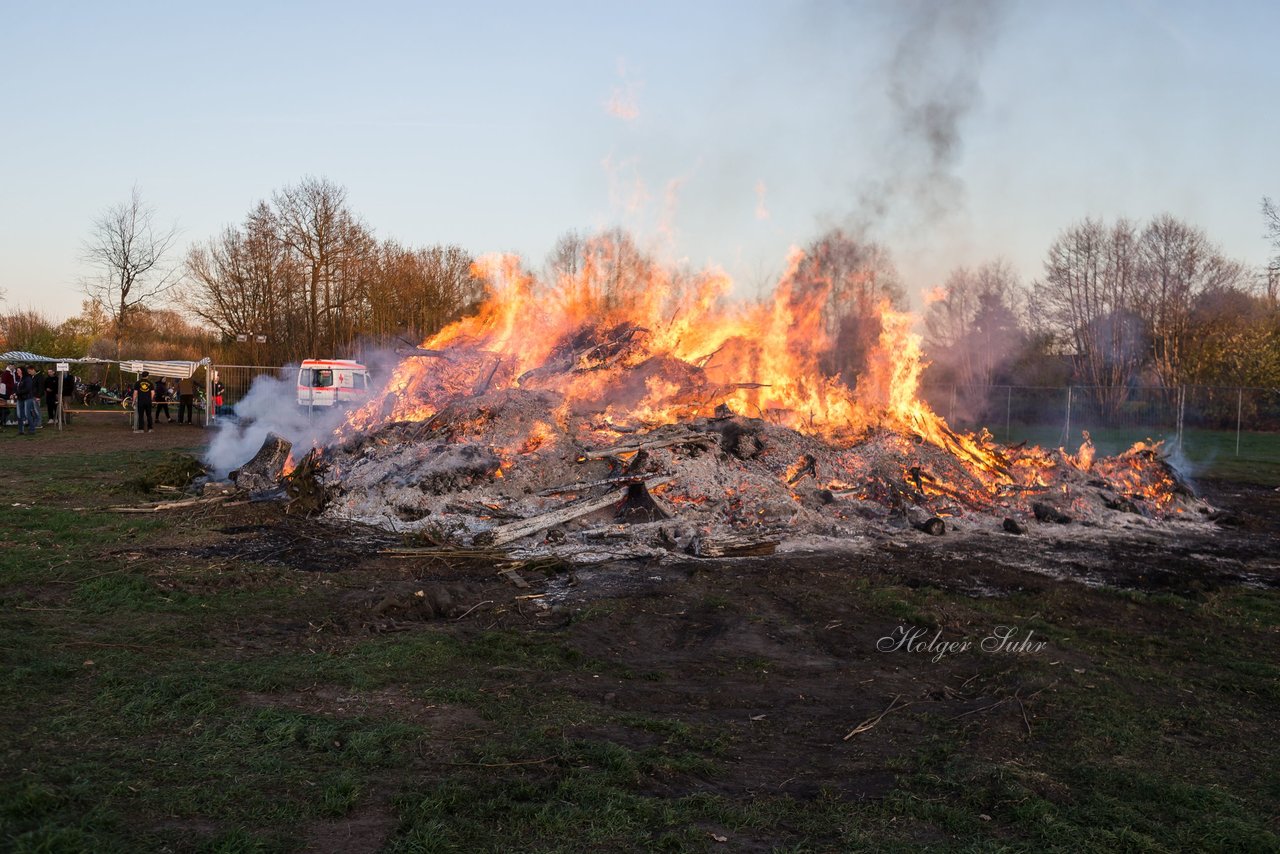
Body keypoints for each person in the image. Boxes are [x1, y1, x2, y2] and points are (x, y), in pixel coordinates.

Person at [15, 367, 36, 436]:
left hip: (27, 398)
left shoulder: (27, 378)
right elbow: (15, 388)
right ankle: (21, 430)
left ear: (22, 371)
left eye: (18, 370)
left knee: (27, 414)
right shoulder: (18, 379)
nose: (17, 371)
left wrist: (17, 393)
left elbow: (28, 389)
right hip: (19, 399)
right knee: (19, 414)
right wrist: (13, 393)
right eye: (17, 370)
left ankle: (32, 429)